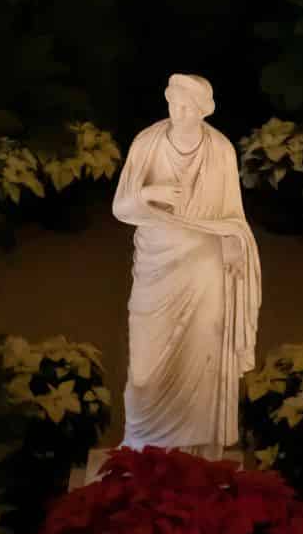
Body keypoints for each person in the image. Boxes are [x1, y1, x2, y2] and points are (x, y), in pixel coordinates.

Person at [112, 74, 261, 456]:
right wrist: (150, 193)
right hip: (156, 262)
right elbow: (121, 207)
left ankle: (197, 449)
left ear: (202, 111)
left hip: (204, 268)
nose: (177, 113)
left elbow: (233, 217)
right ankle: (143, 445)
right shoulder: (147, 142)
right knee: (144, 366)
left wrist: (233, 242)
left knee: (203, 350)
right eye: (172, 104)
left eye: (186, 107)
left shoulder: (220, 149)